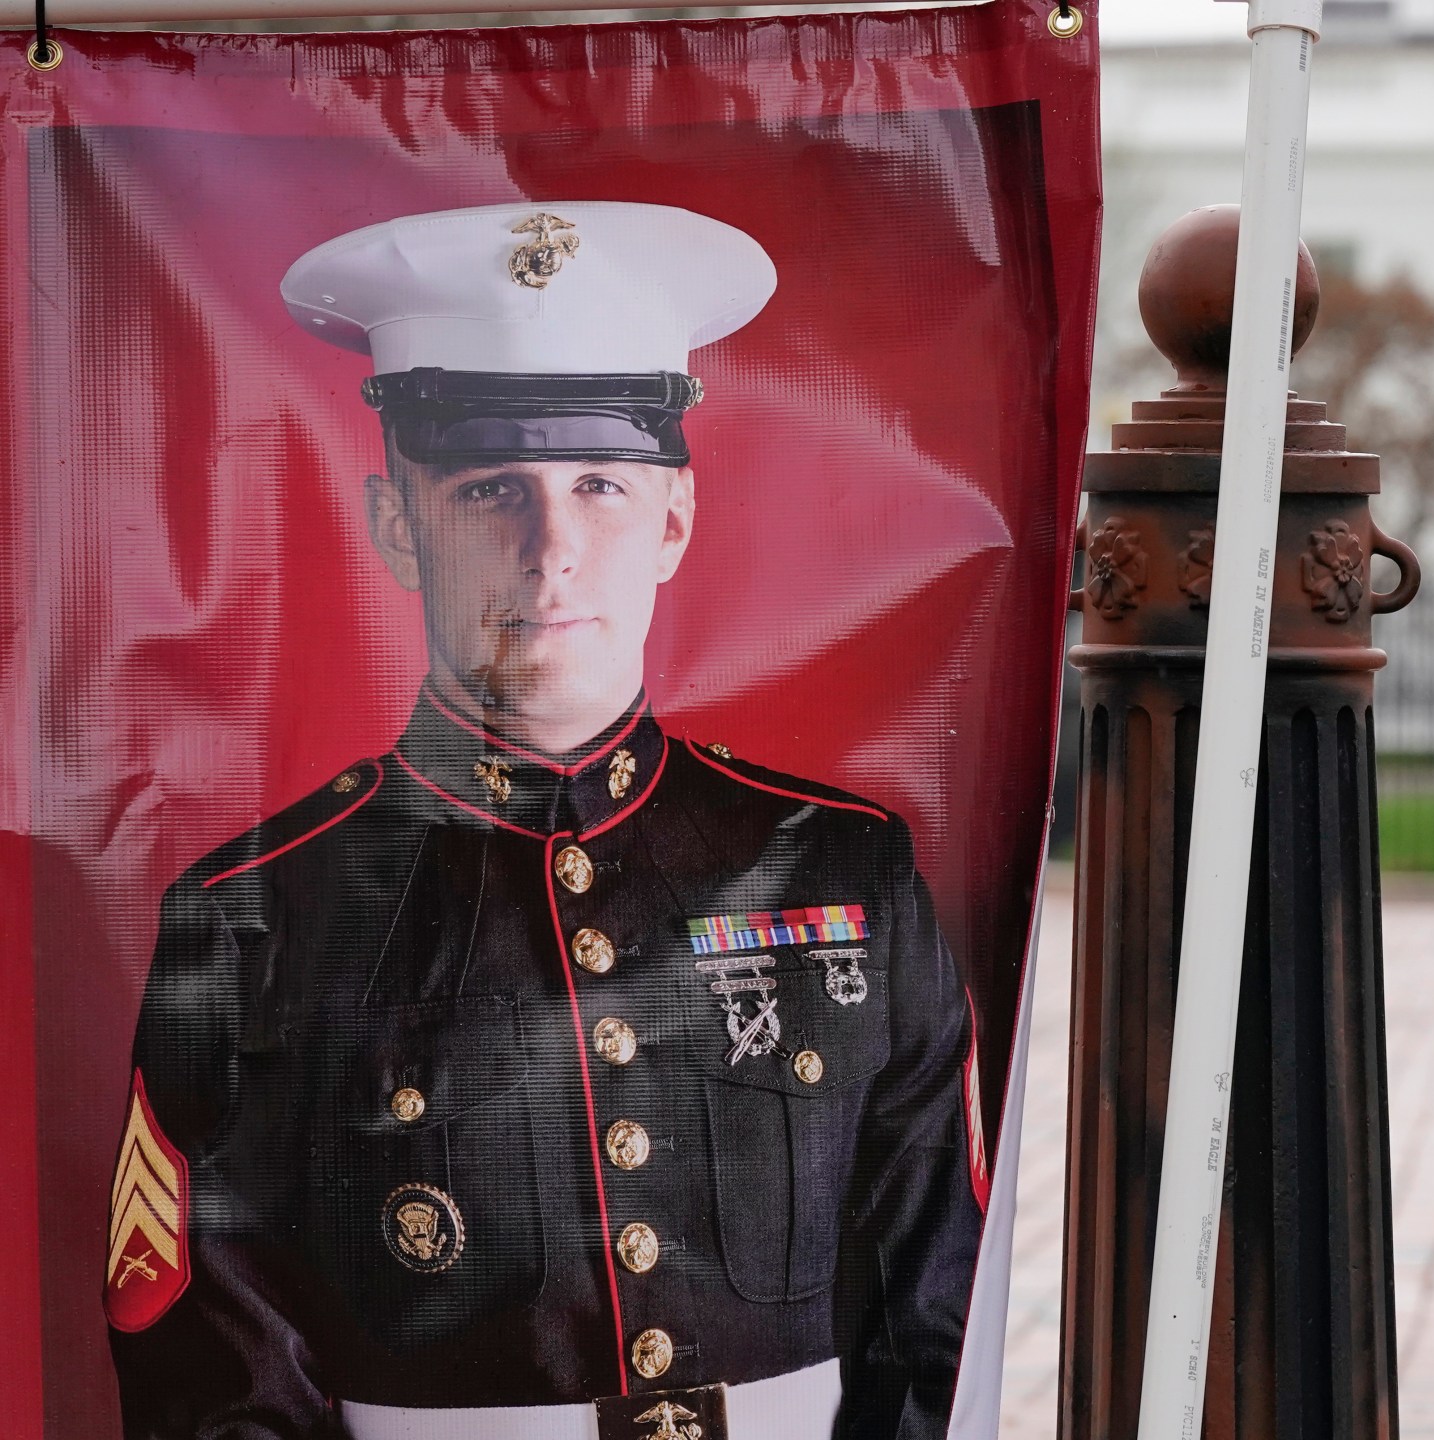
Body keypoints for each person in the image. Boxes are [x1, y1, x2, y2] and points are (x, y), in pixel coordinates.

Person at [104, 202, 986, 1440]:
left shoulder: (840, 863)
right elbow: (211, 1365)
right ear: (396, 527)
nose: (551, 551)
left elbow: (934, 1298)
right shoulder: (252, 914)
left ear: (675, 521)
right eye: (489, 491)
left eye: (599, 486)